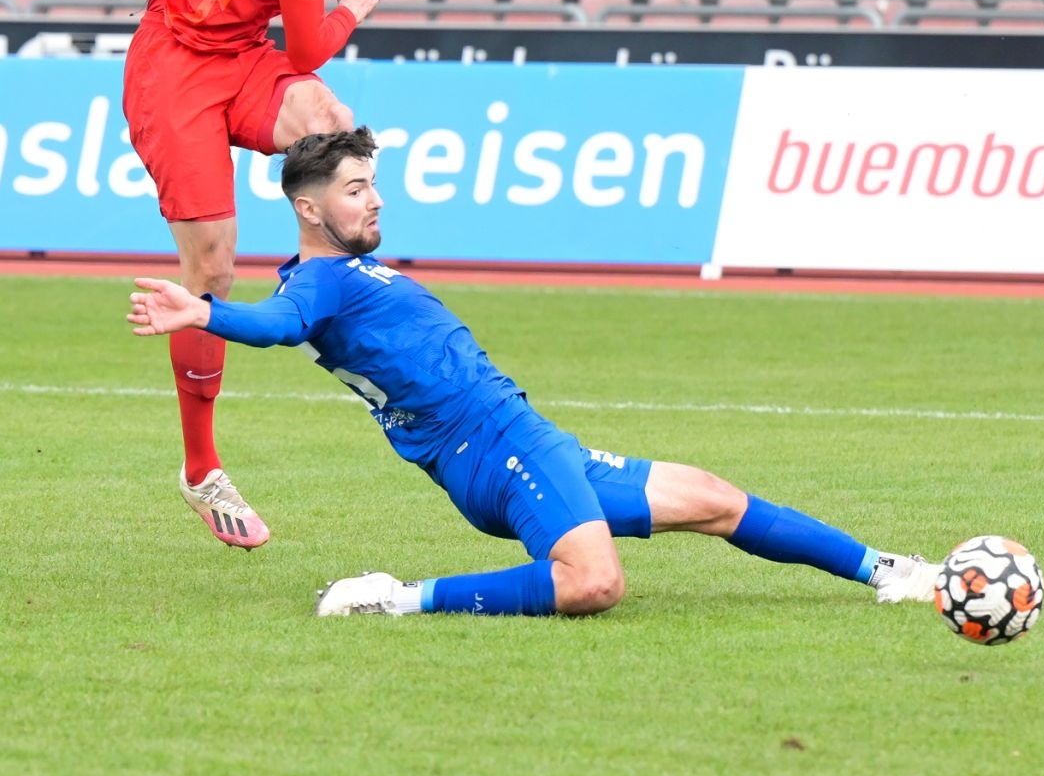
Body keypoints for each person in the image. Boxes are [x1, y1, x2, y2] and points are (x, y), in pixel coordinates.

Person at [124, 128, 946, 617]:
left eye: (373, 184)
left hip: (516, 438)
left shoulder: (342, 273)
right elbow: (276, 326)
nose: (374, 199)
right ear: (308, 209)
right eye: (355, 189)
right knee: (594, 584)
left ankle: (891, 573)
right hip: (496, 446)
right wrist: (205, 312)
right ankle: (397, 597)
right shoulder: (318, 283)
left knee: (714, 499)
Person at [111, 0, 442, 552]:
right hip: (174, 67)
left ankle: (330, 291)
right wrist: (354, 5)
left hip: (237, 55)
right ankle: (202, 469)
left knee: (333, 125)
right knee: (213, 265)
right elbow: (307, 46)